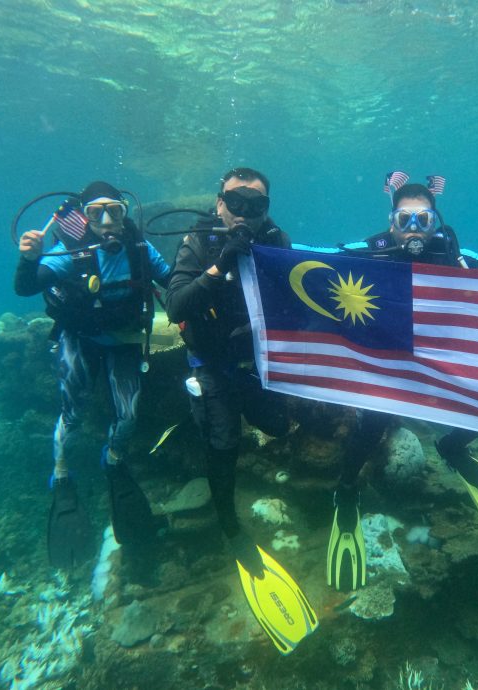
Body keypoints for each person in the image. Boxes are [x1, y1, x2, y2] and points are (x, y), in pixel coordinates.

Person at [327, 174, 478, 592]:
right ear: (391, 223)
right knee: (372, 423)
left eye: (424, 220)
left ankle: (452, 448)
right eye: (405, 220)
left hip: (444, 362)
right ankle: (346, 490)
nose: (414, 230)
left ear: (436, 222)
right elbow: (311, 260)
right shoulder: (371, 252)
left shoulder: (457, 255)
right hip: (390, 361)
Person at [165, 168, 317, 654]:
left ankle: (212, 417)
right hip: (211, 360)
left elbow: (298, 297)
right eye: (237, 201)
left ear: (267, 208)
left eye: (257, 204)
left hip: (254, 361)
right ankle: (230, 525)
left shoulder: (275, 239)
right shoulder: (199, 240)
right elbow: (175, 305)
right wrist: (220, 265)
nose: (246, 213)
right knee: (224, 440)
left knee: (274, 424)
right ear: (219, 203)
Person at [15, 181, 171, 569]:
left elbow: (172, 281)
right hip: (81, 337)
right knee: (73, 411)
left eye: (114, 211)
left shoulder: (139, 249)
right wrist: (29, 259)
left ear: (125, 213)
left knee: (130, 414)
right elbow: (25, 287)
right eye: (95, 212)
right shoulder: (73, 253)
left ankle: (114, 458)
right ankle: (62, 473)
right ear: (82, 218)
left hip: (122, 340)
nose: (106, 221)